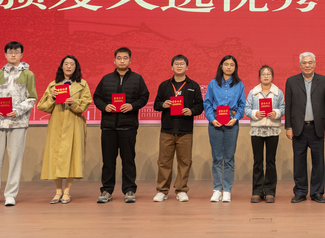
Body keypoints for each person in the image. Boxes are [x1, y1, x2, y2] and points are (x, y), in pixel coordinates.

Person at [0, 41, 37, 207]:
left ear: (21, 55)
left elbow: (32, 97)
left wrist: (17, 111)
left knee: (15, 159)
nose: (13, 54)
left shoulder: (28, 74)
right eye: (10, 52)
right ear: (5, 54)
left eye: (16, 52)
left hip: (18, 123)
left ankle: (10, 195)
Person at [93, 47, 150, 204]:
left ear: (130, 60)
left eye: (125, 58)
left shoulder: (137, 79)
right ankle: (106, 190)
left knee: (128, 160)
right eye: (119, 58)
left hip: (128, 126)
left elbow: (144, 97)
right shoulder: (106, 79)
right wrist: (105, 106)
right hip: (108, 127)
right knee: (108, 161)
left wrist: (132, 106)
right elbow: (97, 97)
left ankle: (129, 190)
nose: (122, 60)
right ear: (114, 60)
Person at [37, 55, 91, 204]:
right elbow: (42, 106)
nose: (68, 66)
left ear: (76, 67)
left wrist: (74, 102)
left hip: (74, 123)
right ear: (61, 66)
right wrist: (52, 98)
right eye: (66, 63)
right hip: (57, 123)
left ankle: (67, 191)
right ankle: (57, 191)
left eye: (72, 64)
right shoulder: (53, 85)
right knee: (55, 156)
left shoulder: (82, 84)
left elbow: (85, 104)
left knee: (72, 156)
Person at [152, 54, 204, 203]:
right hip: (167, 129)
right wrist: (163, 104)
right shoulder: (164, 85)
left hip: (185, 130)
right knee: (164, 162)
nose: (179, 66)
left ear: (187, 67)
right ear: (172, 67)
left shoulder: (193, 86)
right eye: (176, 63)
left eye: (182, 64)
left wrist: (191, 111)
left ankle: (181, 190)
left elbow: (200, 106)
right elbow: (156, 104)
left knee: (185, 162)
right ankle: (162, 190)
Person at [285, 52, 325, 204]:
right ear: (300, 64)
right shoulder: (291, 81)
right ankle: (300, 192)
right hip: (298, 128)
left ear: (314, 64)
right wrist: (288, 127)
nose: (307, 65)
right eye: (304, 63)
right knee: (299, 162)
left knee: (318, 162)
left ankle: (317, 192)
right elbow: (288, 106)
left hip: (317, 127)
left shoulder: (324, 81)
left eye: (310, 62)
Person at [204, 55, 245, 203]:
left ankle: (227, 190)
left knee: (229, 158)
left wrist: (236, 118)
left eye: (232, 65)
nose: (229, 67)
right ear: (221, 66)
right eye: (226, 64)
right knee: (217, 157)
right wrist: (212, 119)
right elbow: (207, 103)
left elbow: (242, 104)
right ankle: (217, 189)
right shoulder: (213, 83)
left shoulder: (239, 84)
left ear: (235, 68)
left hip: (231, 121)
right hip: (215, 121)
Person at [244, 65, 286, 203]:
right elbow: (246, 109)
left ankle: (270, 192)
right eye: (263, 74)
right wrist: (255, 113)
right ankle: (257, 191)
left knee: (270, 161)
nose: (266, 76)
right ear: (259, 77)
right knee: (257, 161)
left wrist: (277, 113)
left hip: (273, 129)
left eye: (268, 74)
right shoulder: (253, 92)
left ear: (272, 76)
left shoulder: (278, 92)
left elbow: (283, 108)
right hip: (257, 130)